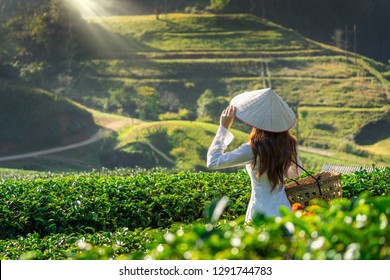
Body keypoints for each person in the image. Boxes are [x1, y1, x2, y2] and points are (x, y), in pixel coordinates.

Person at [207, 88, 302, 221]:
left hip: (260, 213)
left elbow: (213, 161)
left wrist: (223, 128)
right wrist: (276, 171)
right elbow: (296, 173)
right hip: (284, 212)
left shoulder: (254, 149)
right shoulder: (289, 143)